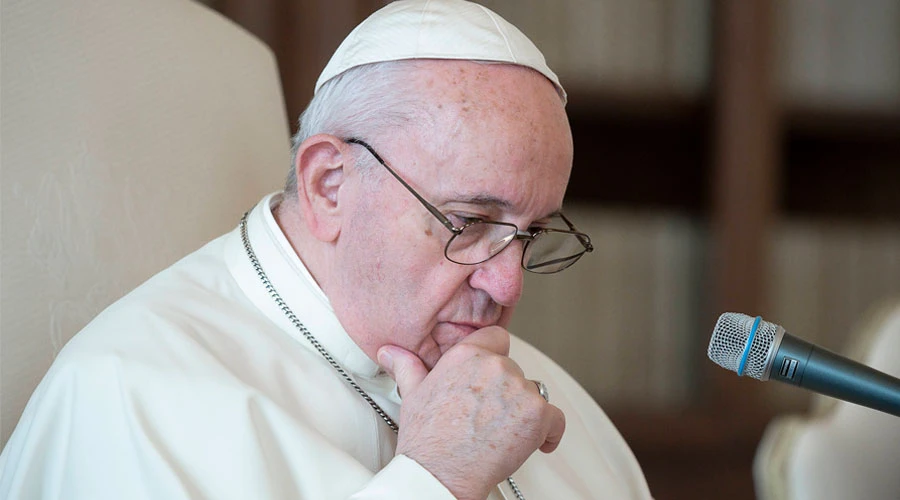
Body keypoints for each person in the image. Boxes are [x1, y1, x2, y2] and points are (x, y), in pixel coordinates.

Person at [0, 1, 653, 498]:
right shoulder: (131, 396)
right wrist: (436, 478)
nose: (508, 286)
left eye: (531, 234)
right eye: (467, 221)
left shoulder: (544, 399)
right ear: (328, 185)